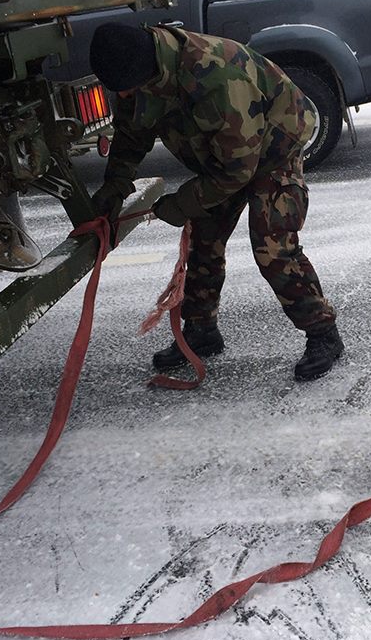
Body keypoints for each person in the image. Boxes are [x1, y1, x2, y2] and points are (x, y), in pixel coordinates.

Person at [88, 22, 344, 381]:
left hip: (272, 150)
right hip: (221, 156)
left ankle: (323, 334)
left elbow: (237, 171)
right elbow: (132, 133)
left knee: (273, 248)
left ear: (146, 72)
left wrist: (180, 205)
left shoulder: (216, 76)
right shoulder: (139, 74)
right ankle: (201, 333)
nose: (126, 98)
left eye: (129, 90)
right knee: (204, 242)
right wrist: (115, 184)